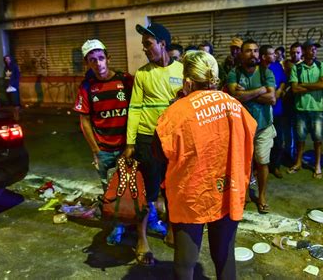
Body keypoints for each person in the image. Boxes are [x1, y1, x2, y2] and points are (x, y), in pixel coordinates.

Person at [154, 50, 257, 280]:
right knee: (225, 256)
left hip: (192, 194)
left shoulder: (177, 111)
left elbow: (158, 152)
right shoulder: (234, 104)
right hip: (228, 189)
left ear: (188, 81)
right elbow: (250, 132)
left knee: (185, 263)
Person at [73, 39, 153, 265]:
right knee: (112, 195)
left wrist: (133, 143)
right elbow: (85, 121)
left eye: (100, 58)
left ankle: (142, 234)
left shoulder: (124, 81)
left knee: (137, 191)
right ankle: (117, 227)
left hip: (129, 149)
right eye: (92, 60)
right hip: (105, 152)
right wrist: (96, 151)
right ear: (87, 64)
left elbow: (139, 108)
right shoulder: (87, 87)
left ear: (108, 58)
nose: (97, 63)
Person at [123, 22, 183, 238]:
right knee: (148, 190)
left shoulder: (182, 70)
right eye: (143, 45)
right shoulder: (142, 74)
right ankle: (142, 238)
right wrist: (130, 143)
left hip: (175, 141)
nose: (145, 49)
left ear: (162, 43)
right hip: (148, 140)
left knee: (173, 187)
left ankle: (172, 229)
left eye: (148, 44)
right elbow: (135, 109)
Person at [227, 39, 276, 214]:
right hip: (242, 128)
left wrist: (245, 94)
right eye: (248, 51)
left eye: (255, 51)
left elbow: (272, 99)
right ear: (241, 54)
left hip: (263, 127)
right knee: (244, 164)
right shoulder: (234, 73)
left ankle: (261, 196)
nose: (253, 54)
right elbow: (235, 97)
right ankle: (245, 193)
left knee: (262, 162)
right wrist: (261, 90)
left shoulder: (266, 72)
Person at [287, 40, 323, 179]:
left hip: (317, 108)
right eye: (311, 49)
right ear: (304, 51)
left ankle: (317, 165)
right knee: (300, 138)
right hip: (301, 108)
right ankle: (298, 162)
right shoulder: (297, 68)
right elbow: (294, 88)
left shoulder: (321, 65)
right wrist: (313, 85)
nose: (314, 52)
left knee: (318, 139)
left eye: (315, 49)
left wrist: (303, 84)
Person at [260, 45, 286, 179]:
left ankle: (275, 166)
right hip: (262, 112)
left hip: (277, 111)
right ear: (264, 57)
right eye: (272, 54)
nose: (275, 56)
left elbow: (283, 81)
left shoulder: (277, 67)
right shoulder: (258, 69)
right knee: (262, 141)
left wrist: (280, 90)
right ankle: (261, 166)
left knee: (278, 140)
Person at [3, 55, 21, 120]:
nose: (7, 60)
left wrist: (14, 84)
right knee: (12, 102)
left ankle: (17, 116)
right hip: (8, 87)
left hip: (14, 87)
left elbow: (18, 76)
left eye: (8, 59)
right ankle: (14, 115)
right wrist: (6, 84)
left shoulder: (14, 66)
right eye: (6, 59)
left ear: (11, 59)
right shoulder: (6, 67)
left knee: (16, 101)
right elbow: (6, 77)